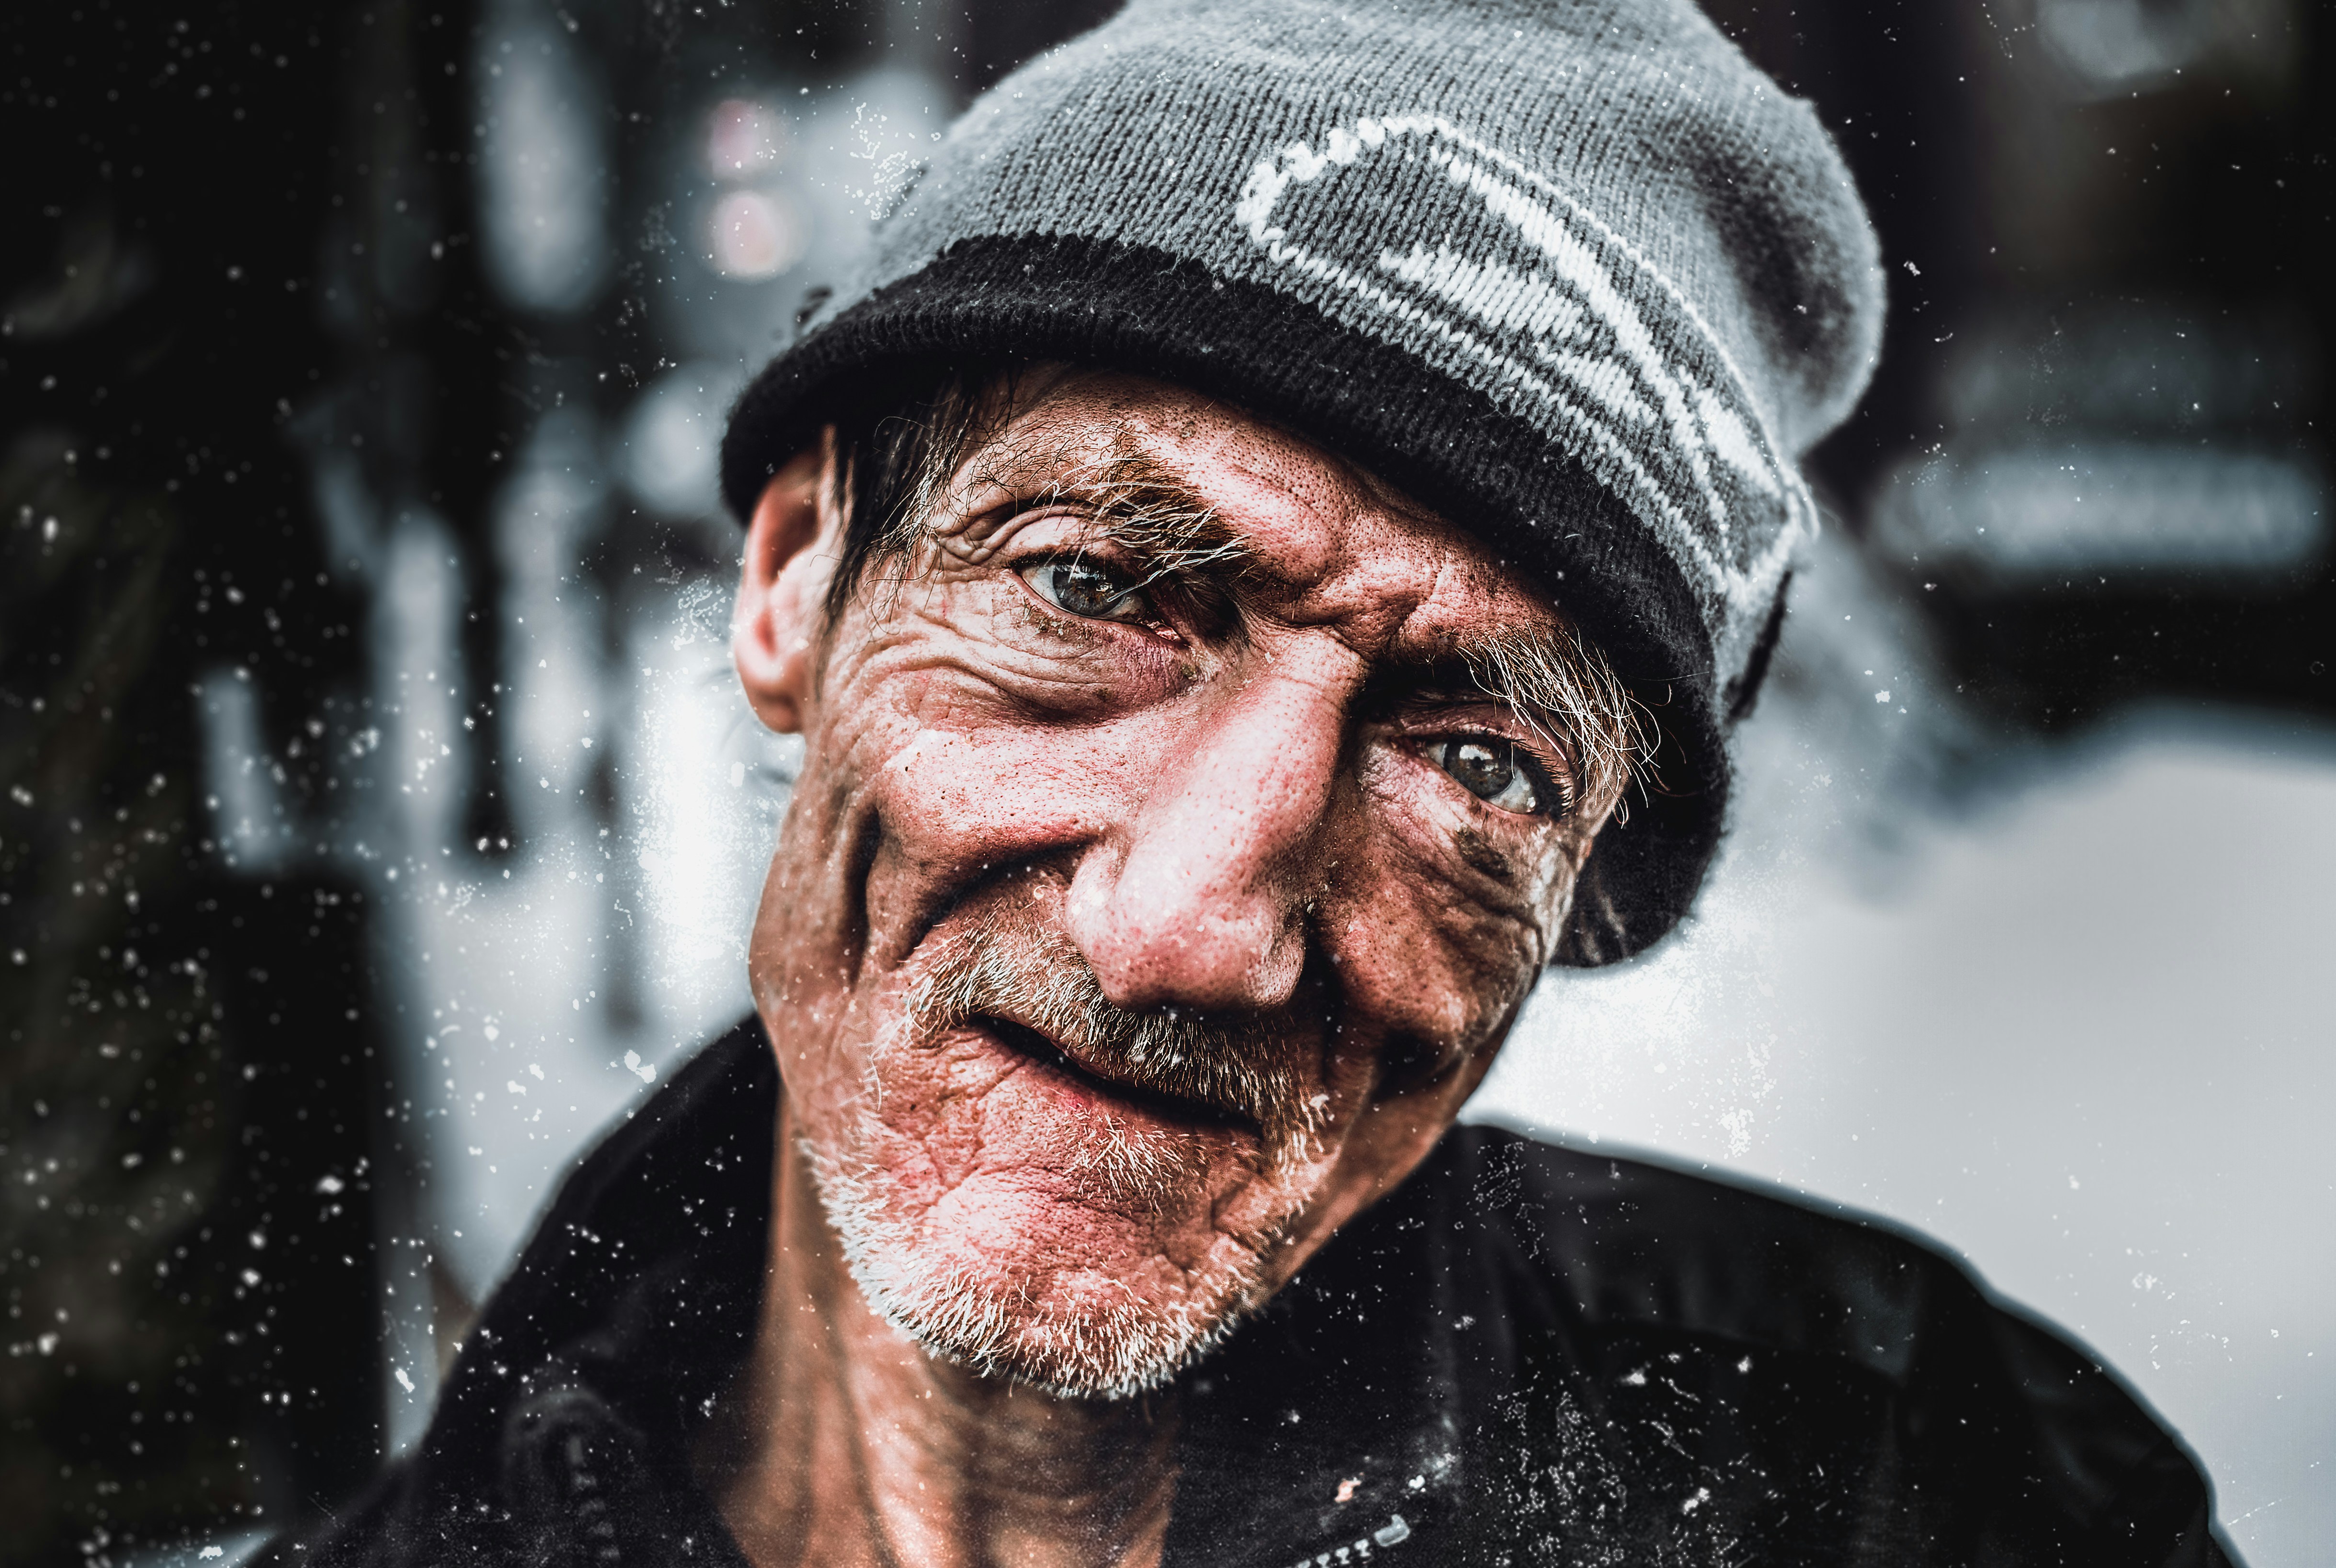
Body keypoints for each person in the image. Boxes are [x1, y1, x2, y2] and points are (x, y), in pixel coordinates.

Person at [269, 0, 2235, 1563]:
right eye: (1095, 588)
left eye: (1479, 760)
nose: (1193, 928)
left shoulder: (1930, 1497)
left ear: (1576, 903)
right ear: (793, 575)